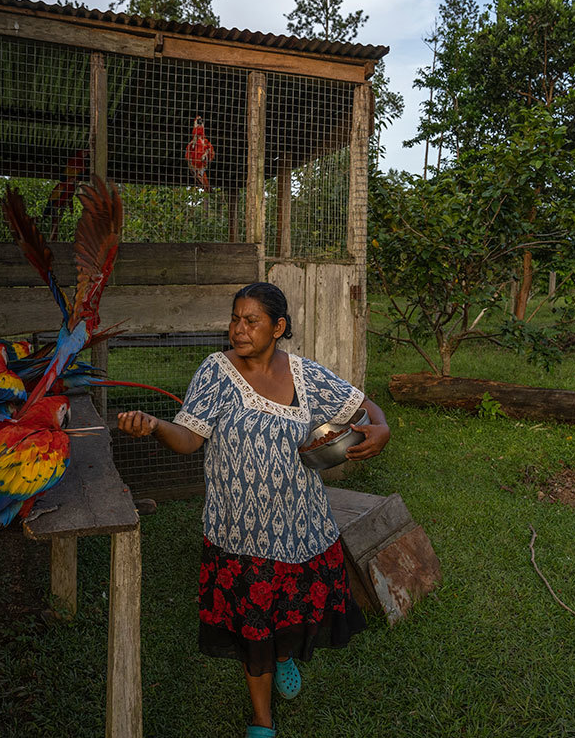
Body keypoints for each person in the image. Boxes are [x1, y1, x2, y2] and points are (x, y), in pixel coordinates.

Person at [117, 282, 390, 738]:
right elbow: (188, 438)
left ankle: (284, 656)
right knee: (252, 626)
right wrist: (156, 426)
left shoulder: (304, 374)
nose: (238, 330)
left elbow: (365, 408)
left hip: (301, 526)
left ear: (278, 327)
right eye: (234, 319)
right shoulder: (216, 372)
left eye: (251, 321)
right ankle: (262, 720)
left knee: (287, 613)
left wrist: (381, 430)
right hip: (240, 531)